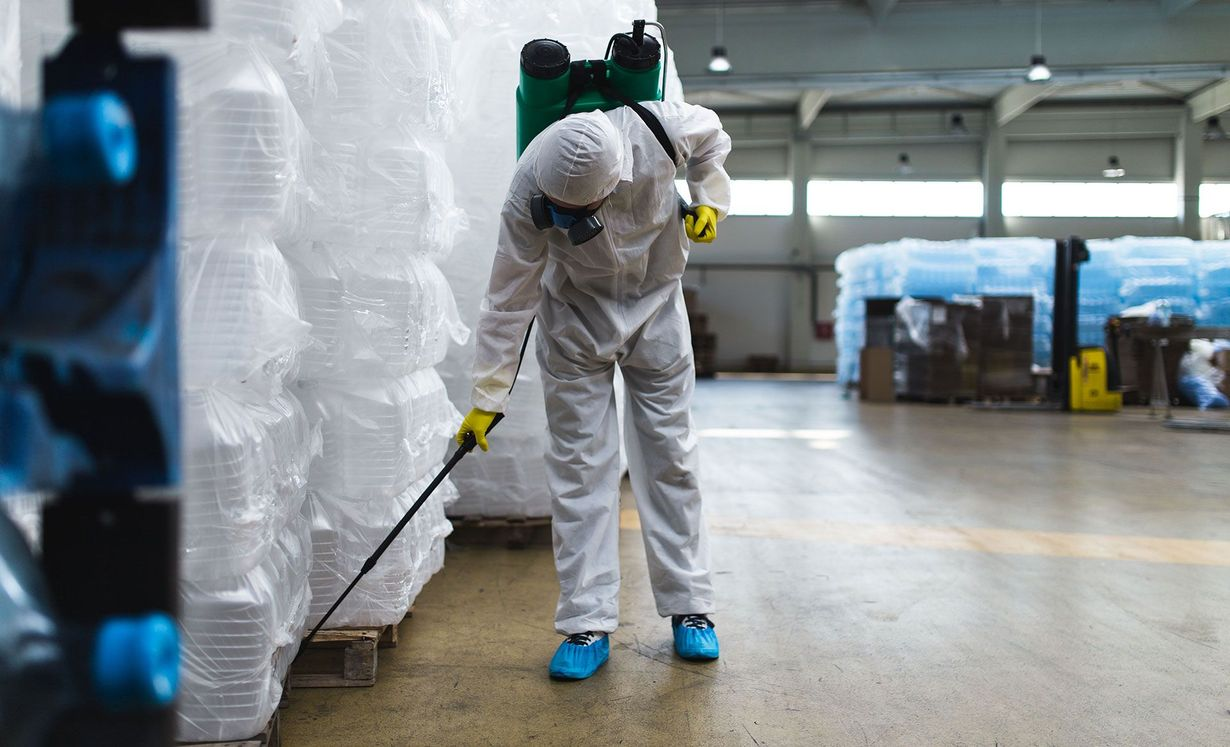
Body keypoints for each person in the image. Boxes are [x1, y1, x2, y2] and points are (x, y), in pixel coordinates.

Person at [455, 99, 731, 681]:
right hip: (574, 318)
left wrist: (711, 197)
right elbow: (508, 297)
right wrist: (488, 394)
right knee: (581, 469)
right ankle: (586, 621)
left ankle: (691, 610)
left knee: (671, 458)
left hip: (657, 303)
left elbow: (714, 143)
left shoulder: (664, 129)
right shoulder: (529, 189)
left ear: (616, 180)